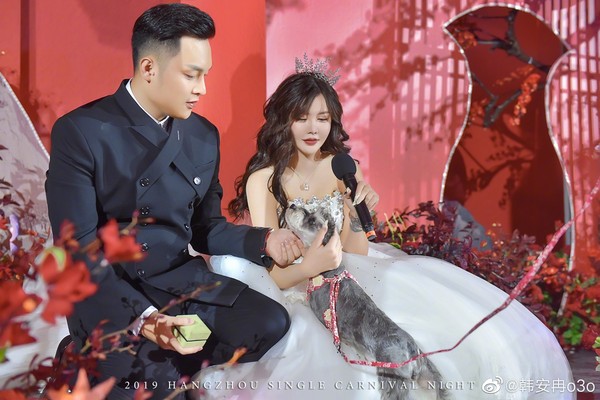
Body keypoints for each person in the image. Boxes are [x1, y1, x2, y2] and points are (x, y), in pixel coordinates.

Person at [192, 60, 575, 399]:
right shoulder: (264, 179)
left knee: (441, 334)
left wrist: (356, 214)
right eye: (301, 117)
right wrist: (312, 266)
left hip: (351, 271)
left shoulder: (342, 166)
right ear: (284, 120)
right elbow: (271, 271)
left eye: (323, 118)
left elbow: (357, 252)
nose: (313, 129)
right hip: (291, 285)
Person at [44, 4, 304, 399]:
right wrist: (148, 321)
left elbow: (205, 229)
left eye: (205, 75)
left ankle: (160, 366)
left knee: (269, 323)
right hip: (110, 287)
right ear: (149, 68)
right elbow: (76, 249)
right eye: (191, 75)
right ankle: (88, 358)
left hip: (180, 281)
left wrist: (263, 240)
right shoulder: (81, 132)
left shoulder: (203, 135)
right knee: (159, 385)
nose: (202, 89)